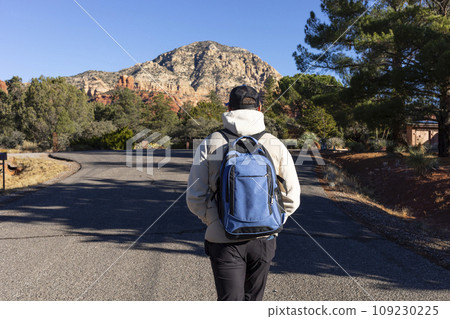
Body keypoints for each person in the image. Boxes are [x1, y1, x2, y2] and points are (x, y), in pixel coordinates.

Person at [186, 85, 301, 301]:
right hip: (264, 239)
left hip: (223, 238)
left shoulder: (211, 142)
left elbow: (195, 196)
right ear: (260, 108)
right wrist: (273, 220)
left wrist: (214, 219)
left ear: (229, 107)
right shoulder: (275, 144)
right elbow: (292, 197)